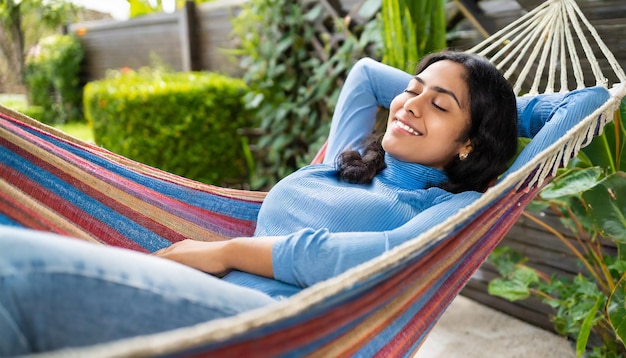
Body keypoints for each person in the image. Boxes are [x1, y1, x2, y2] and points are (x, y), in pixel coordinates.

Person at [0, 51, 518, 355]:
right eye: (411, 89)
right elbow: (363, 73)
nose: (410, 104)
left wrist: (225, 253)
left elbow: (363, 262)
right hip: (208, 297)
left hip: (279, 324)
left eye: (439, 104)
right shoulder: (353, 157)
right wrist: (450, 94)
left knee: (13, 268)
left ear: (470, 142)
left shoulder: (446, 207)